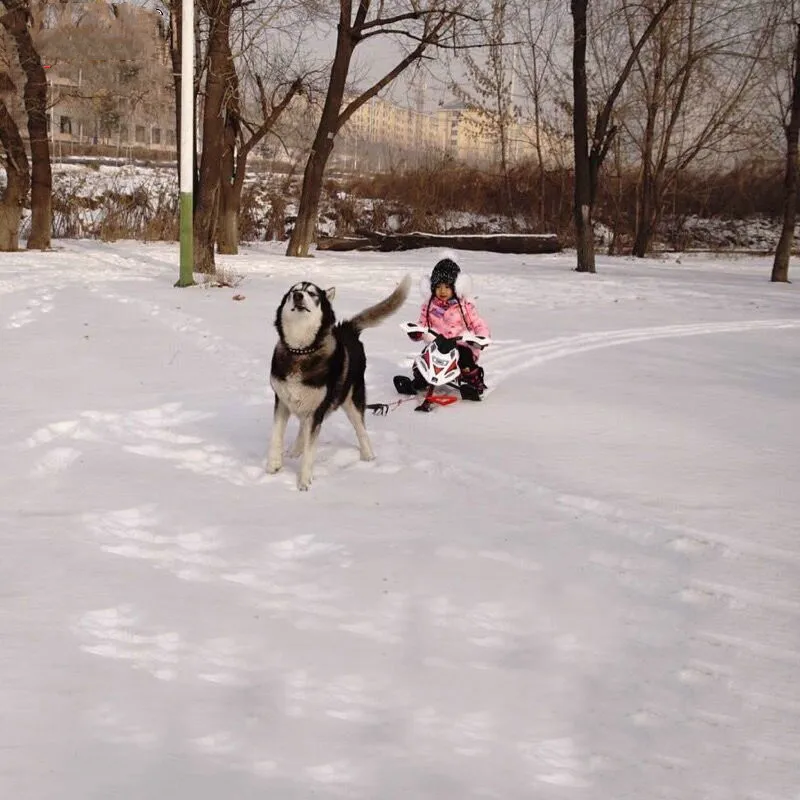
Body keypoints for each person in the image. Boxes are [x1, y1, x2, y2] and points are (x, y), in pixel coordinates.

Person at [405, 256, 491, 397]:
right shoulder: (429, 306)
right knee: (425, 360)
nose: (442, 291)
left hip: (460, 343)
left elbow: (478, 323)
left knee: (465, 359)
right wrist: (417, 332)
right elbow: (422, 324)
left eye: (447, 286)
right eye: (438, 287)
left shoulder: (464, 306)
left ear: (456, 287)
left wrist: (481, 337)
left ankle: (473, 381)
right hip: (437, 343)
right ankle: (420, 379)